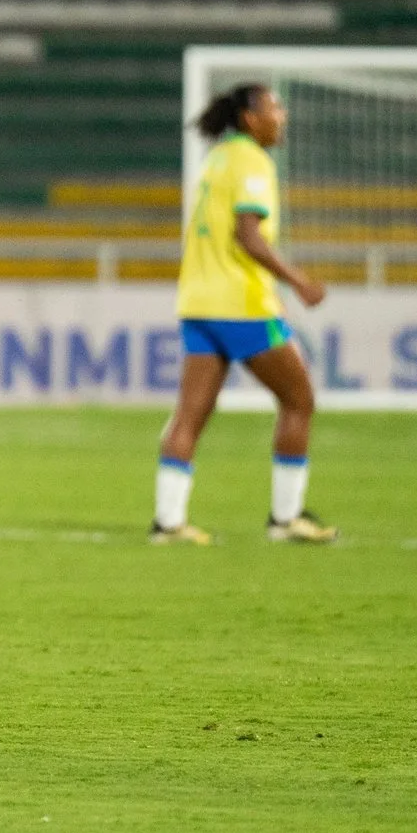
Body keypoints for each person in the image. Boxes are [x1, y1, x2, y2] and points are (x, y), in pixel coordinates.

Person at [152, 83, 337, 546]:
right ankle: (286, 517)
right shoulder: (253, 162)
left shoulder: (216, 159)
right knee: (300, 400)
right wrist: (297, 279)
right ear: (250, 118)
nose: (282, 115)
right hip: (242, 306)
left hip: (197, 301)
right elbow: (247, 235)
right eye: (274, 107)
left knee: (190, 415)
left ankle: (168, 523)